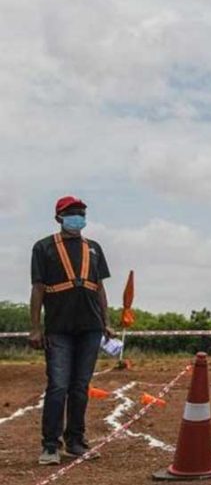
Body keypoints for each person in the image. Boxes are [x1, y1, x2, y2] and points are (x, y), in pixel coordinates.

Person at [29, 196, 115, 465]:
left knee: (80, 387)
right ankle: (50, 445)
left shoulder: (94, 248)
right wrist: (35, 327)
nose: (77, 216)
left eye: (81, 212)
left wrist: (106, 321)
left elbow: (99, 288)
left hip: (90, 327)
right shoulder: (43, 248)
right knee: (58, 386)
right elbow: (38, 289)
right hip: (58, 329)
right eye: (72, 213)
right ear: (59, 218)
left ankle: (75, 441)